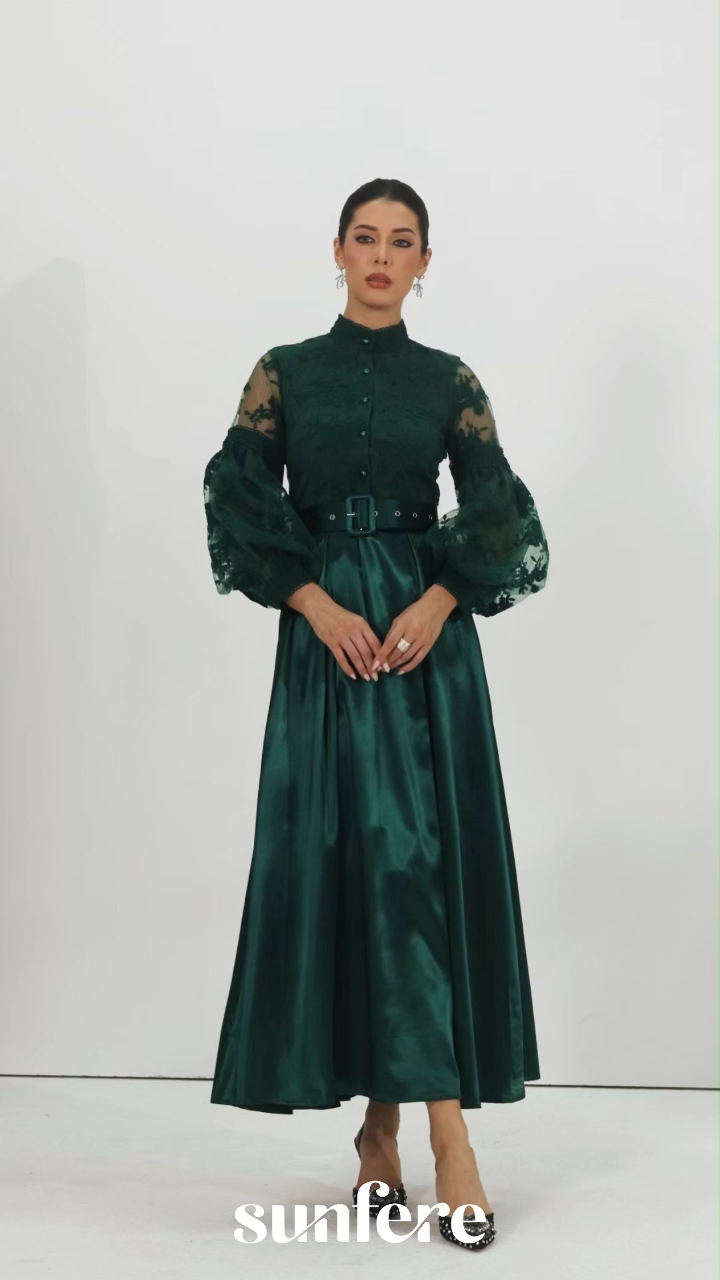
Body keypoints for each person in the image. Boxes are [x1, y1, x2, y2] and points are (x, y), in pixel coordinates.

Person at [202, 177, 549, 1250]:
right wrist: (312, 602)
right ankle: (388, 1131)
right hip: (329, 643)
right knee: (361, 864)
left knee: (415, 865)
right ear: (339, 251)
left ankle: (438, 1136)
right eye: (366, 238)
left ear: (425, 262)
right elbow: (235, 491)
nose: (383, 257)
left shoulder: (448, 380)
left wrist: (442, 599)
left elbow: (499, 505)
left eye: (403, 242)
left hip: (419, 643)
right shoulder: (284, 370)